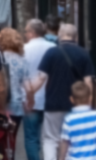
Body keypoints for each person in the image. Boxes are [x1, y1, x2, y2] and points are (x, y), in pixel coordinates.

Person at [29, 24, 95, 160]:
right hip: (77, 104)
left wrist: (30, 94)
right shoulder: (84, 54)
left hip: (53, 103)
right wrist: (89, 104)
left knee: (50, 140)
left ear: (59, 36)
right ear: (76, 37)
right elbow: (88, 82)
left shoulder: (51, 52)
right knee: (73, 139)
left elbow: (41, 78)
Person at [58, 81, 96, 160]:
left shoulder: (69, 119)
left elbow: (65, 142)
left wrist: (61, 158)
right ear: (90, 98)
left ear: (71, 99)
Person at [23, 18, 55, 160]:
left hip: (30, 98)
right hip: (51, 98)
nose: (25, 34)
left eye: (26, 31)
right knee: (51, 138)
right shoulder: (53, 48)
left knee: (31, 137)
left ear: (32, 32)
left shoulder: (24, 49)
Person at [0, 27, 32, 133]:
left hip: (2, 104)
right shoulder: (22, 60)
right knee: (11, 137)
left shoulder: (1, 57)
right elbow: (28, 87)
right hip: (17, 105)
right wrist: (30, 102)